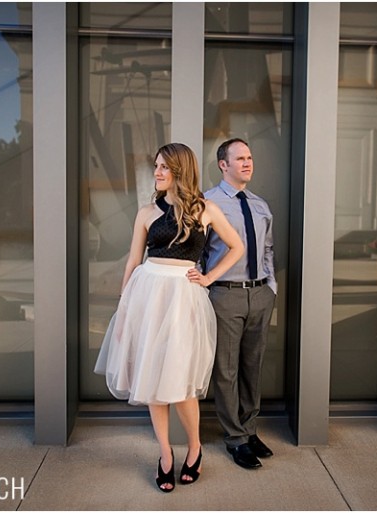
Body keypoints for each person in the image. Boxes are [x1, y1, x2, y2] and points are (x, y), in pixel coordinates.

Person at [94, 142, 244, 492]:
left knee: (180, 384)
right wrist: (124, 310)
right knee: (153, 384)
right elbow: (133, 262)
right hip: (147, 295)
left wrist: (208, 277)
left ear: (181, 170)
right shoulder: (147, 212)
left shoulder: (204, 209)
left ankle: (194, 448)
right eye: (156, 167)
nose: (157, 173)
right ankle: (164, 455)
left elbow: (237, 246)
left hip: (182, 299)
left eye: (164, 167)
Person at [203, 138, 277, 470]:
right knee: (226, 369)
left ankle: (250, 430)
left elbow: (267, 251)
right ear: (223, 164)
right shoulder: (207, 203)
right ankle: (235, 438)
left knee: (252, 366)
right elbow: (198, 251)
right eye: (240, 158)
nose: (247, 163)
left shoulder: (260, 205)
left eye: (250, 157)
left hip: (259, 294)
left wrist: (270, 286)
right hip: (225, 295)